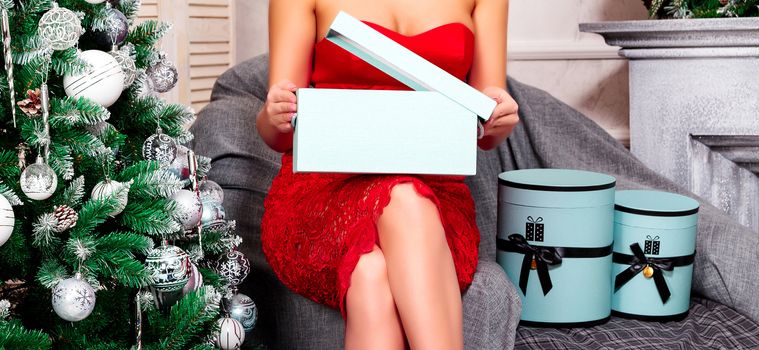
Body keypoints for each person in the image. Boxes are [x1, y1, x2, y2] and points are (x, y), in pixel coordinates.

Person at [257, 0, 519, 349]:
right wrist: (273, 114)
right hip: (326, 193)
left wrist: (500, 117)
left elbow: (488, 128)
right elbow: (277, 133)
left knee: (370, 272)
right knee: (402, 198)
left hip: (435, 194)